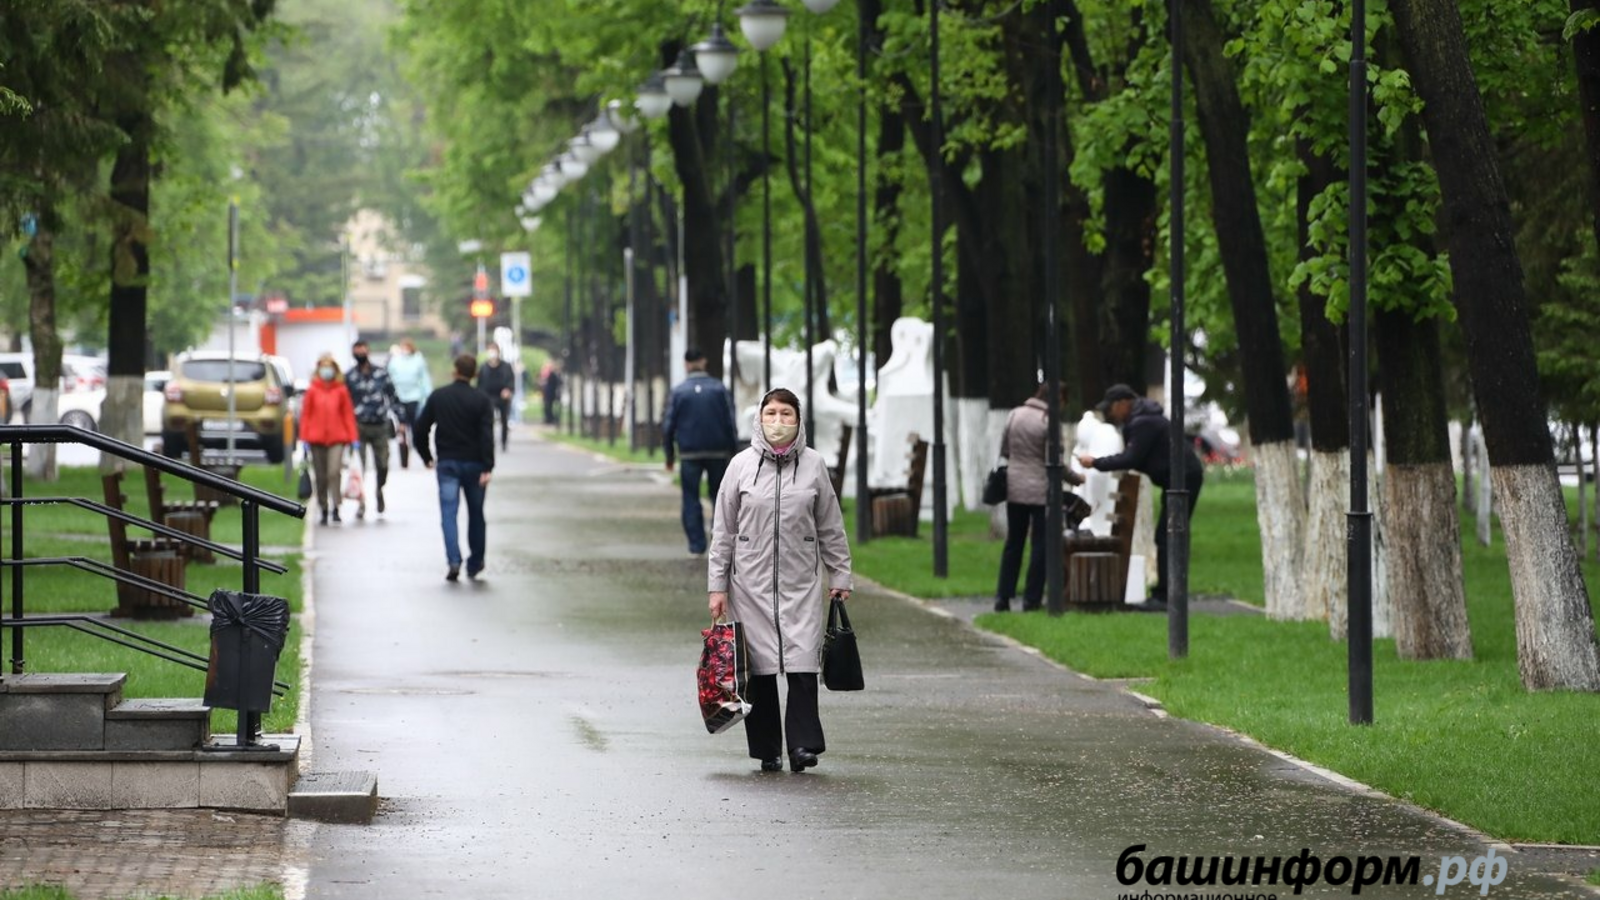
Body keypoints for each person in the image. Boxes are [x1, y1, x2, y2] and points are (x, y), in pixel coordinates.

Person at [707, 388, 852, 774]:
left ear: (799, 420)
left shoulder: (814, 466)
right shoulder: (740, 466)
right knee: (761, 669)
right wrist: (717, 586)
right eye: (771, 413)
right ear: (759, 418)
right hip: (749, 584)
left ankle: (804, 745)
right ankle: (767, 749)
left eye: (786, 414)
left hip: (800, 580)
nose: (778, 421)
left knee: (803, 663)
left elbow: (830, 526)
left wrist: (840, 574)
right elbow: (723, 531)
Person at [1076, 383, 1205, 611]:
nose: (1111, 413)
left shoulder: (1143, 422)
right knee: (1169, 535)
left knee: (1170, 536)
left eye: (1112, 407)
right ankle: (1168, 593)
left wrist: (1095, 462)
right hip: (1178, 479)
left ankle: (1167, 596)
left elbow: (1131, 458)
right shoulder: (1144, 418)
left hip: (1182, 480)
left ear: (1124, 403)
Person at [994, 383, 1084, 612]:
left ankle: (1003, 598)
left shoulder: (1015, 414)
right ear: (1058, 398)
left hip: (1014, 488)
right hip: (1040, 492)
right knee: (1040, 545)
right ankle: (1031, 599)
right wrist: (1076, 479)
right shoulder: (1048, 422)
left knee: (1013, 543)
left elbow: (1005, 450)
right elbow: (1054, 463)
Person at [415, 353, 496, 582]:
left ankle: (453, 559)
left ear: (454, 371)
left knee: (449, 514)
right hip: (475, 465)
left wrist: (427, 456)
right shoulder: (482, 400)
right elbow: (487, 435)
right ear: (475, 374)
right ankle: (476, 561)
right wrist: (488, 466)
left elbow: (421, 428)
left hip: (448, 463)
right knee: (476, 514)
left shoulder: (439, 397)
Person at [661, 349, 739, 557]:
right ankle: (720, 542)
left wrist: (669, 455)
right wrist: (733, 451)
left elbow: (668, 426)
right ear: (704, 361)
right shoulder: (719, 389)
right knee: (720, 497)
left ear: (686, 364)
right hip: (718, 451)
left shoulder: (678, 392)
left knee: (690, 498)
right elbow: (731, 422)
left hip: (689, 453)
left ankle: (696, 545)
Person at [300, 353, 358, 526]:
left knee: (334, 472)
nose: (326, 370)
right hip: (316, 438)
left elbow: (348, 415)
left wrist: (353, 437)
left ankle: (336, 506)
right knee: (320, 475)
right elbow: (306, 416)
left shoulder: (341, 390)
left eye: (329, 367)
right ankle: (323, 506)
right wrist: (304, 438)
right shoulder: (312, 390)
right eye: (323, 367)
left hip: (337, 438)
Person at [345, 340, 400, 518]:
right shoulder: (350, 376)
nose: (360, 353)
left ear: (368, 351)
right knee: (359, 467)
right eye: (356, 350)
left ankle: (379, 489)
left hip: (379, 425)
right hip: (358, 426)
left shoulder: (380, 373)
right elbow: (344, 403)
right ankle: (361, 502)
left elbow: (392, 396)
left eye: (362, 349)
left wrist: (402, 419)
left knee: (383, 465)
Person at [387, 338, 433, 469]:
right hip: (398, 399)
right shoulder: (395, 361)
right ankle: (404, 461)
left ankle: (425, 457)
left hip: (414, 398)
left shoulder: (418, 360)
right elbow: (389, 379)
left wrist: (427, 397)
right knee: (401, 430)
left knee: (417, 429)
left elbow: (424, 379)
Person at [477, 341, 515, 452]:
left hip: (502, 397)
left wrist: (508, 390)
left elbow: (511, 381)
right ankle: (489, 442)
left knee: (504, 420)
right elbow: (480, 383)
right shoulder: (483, 367)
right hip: (488, 397)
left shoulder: (506, 366)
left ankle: (503, 442)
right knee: (488, 420)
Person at [539, 360, 563, 425]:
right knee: (548, 407)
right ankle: (549, 419)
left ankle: (550, 419)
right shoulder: (552, 374)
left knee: (549, 407)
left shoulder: (553, 374)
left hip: (550, 393)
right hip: (549, 393)